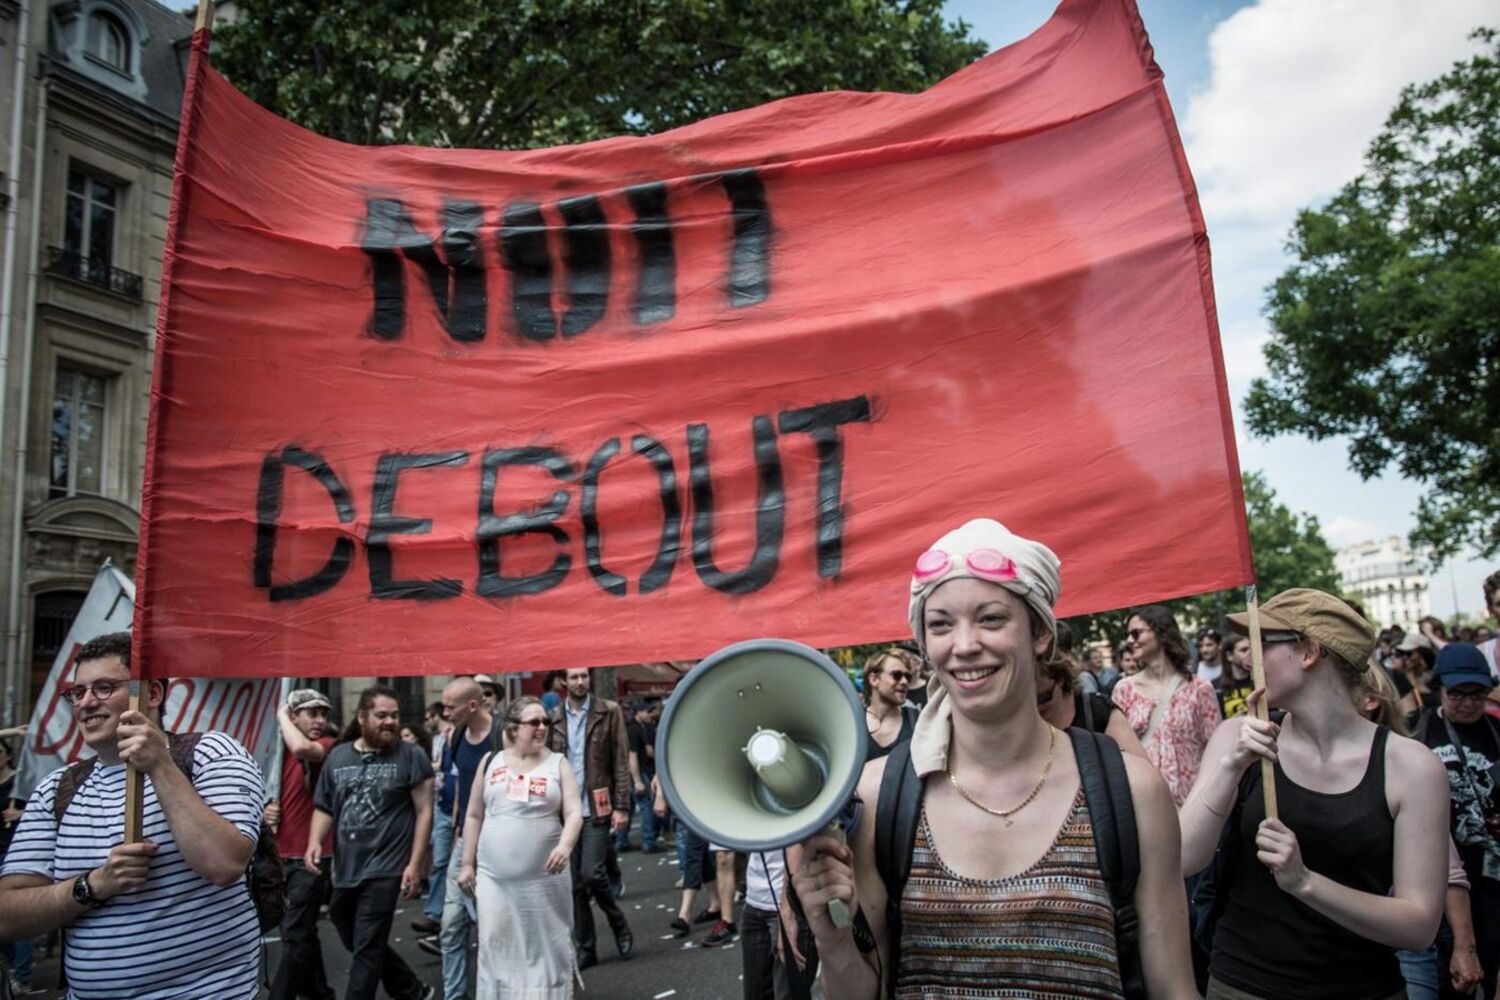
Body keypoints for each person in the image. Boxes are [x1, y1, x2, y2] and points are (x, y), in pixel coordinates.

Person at [793, 517, 1195, 998]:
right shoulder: (879, 796)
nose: (964, 646)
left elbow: (1175, 989)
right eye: (941, 625)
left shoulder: (1131, 791)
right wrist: (834, 939)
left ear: (1040, 633)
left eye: (990, 619)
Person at [1179, 589, 1448, 1000]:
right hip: (1241, 986)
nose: (1246, 659)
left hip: (1362, 990)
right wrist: (1230, 768)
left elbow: (1419, 926)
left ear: (1308, 651)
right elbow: (1183, 857)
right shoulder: (1238, 736)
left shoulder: (1411, 767)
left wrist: (1305, 883)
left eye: (1261, 643)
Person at [0, 631, 265, 998]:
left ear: (152, 693)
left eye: (104, 688)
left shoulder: (211, 754)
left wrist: (159, 764)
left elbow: (224, 864)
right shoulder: (55, 789)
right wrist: (93, 885)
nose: (86, 703)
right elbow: (7, 915)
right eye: (78, 692)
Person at [308, 684, 435, 1000]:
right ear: (362, 717)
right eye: (382, 715)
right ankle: (409, 989)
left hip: (386, 867)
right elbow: (324, 806)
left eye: (395, 715)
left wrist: (415, 864)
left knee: (366, 947)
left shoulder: (412, 756)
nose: (390, 721)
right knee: (354, 934)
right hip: (346, 868)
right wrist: (314, 841)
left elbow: (424, 811)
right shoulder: (338, 756)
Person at [457, 696, 581, 997]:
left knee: (546, 945)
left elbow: (574, 812)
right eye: (533, 722)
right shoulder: (491, 762)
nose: (542, 727)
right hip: (494, 880)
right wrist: (467, 864)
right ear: (513, 727)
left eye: (545, 722)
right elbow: (473, 815)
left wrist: (565, 847)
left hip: (545, 879)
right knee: (495, 942)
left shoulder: (558, 763)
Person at [1411, 643, 1500, 1000]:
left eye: (1476, 694)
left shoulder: (1496, 730)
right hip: (1437, 872)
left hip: (1490, 871)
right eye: (1457, 694)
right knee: (1448, 970)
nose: (1467, 703)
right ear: (1439, 689)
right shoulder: (1416, 731)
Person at [546, 667, 633, 968]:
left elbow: (620, 760)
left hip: (597, 806)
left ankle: (616, 919)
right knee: (575, 886)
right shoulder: (553, 717)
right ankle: (587, 948)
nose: (580, 682)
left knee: (592, 874)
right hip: (565, 812)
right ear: (564, 681)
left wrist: (622, 806)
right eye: (574, 677)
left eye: (584, 676)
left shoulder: (608, 711)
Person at [425, 677, 506, 999]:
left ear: (472, 705)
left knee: (495, 926)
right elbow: (462, 786)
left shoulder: (502, 736)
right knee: (451, 923)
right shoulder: (456, 736)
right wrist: (459, 829)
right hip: (466, 840)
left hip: (499, 840)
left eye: (450, 707)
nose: (445, 713)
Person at [1112, 605, 1222, 805]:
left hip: (1194, 804)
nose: (1129, 641)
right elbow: (1116, 754)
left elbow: (1215, 750)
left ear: (1161, 632)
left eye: (1136, 633)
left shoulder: (1199, 688)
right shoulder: (1124, 690)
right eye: (1128, 635)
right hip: (1144, 804)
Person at [268, 688, 338, 1000]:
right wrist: (265, 808)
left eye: (323, 714)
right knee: (302, 933)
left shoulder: (327, 745)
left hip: (311, 854)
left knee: (295, 933)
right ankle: (320, 993)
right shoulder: (273, 751)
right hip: (278, 854)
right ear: (296, 716)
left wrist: (281, 714)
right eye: (312, 713)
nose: (320, 720)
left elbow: (302, 748)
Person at [1035, 653, 1146, 756]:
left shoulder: (1098, 710)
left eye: (1042, 698)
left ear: (1060, 679)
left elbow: (1139, 764)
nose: (1036, 707)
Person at [414, 700, 452, 936]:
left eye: (429, 717)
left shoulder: (454, 735)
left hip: (455, 807)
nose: (427, 721)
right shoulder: (438, 738)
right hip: (442, 803)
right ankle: (434, 913)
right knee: (439, 861)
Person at [862, 648, 920, 760]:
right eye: (896, 675)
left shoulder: (917, 720)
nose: (904, 682)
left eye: (908, 677)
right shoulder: (854, 724)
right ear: (874, 679)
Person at [623, 700, 660, 853]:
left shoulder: (639, 728)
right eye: (646, 711)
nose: (649, 714)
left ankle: (622, 841)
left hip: (635, 772)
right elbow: (632, 756)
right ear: (638, 712)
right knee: (646, 806)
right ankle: (648, 841)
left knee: (629, 807)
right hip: (638, 772)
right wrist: (637, 780)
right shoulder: (634, 730)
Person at [1392, 633, 1442, 717]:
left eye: (1409, 653)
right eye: (1402, 653)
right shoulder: (1399, 679)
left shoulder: (1436, 680)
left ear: (1422, 655)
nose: (1405, 657)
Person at [1217, 635, 1255, 719]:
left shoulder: (1260, 681)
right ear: (1229, 656)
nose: (1250, 653)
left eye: (1251, 649)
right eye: (1244, 650)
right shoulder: (1217, 687)